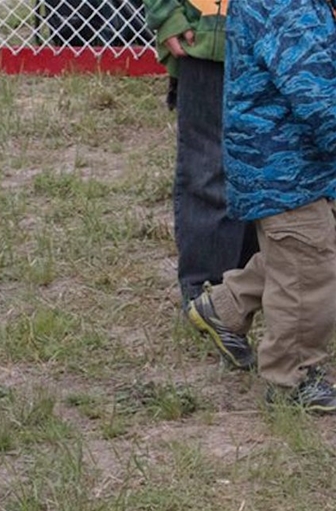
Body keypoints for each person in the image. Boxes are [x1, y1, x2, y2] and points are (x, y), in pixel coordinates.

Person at [185, 0, 336, 411]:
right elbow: (316, 93)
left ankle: (224, 308)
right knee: (307, 269)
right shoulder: (286, 7)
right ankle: (291, 377)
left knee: (299, 254)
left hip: (292, 164)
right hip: (283, 168)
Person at [142, 0, 257, 305]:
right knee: (209, 168)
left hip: (291, 39)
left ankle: (258, 283)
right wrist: (167, 15)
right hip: (209, 36)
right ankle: (208, 294)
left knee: (273, 163)